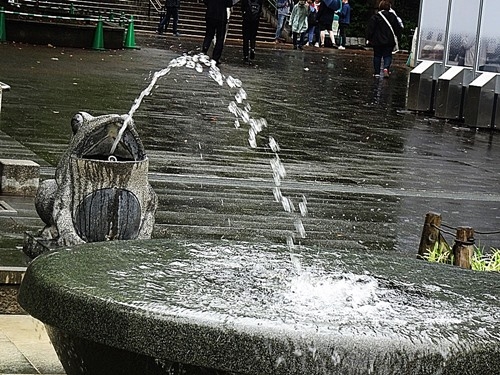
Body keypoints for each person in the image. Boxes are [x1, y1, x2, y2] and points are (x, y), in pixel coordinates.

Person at [365, 0, 402, 78]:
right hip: (389, 41)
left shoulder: (375, 17)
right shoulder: (393, 17)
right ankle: (386, 68)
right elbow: (397, 29)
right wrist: (398, 38)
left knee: (377, 56)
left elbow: (370, 29)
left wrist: (368, 38)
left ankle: (377, 73)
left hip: (377, 41)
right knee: (387, 55)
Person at [202, 0, 234, 65]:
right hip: (221, 16)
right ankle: (215, 57)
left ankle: (205, 49)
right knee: (220, 37)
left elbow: (205, 1)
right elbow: (229, 4)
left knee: (209, 34)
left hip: (210, 13)